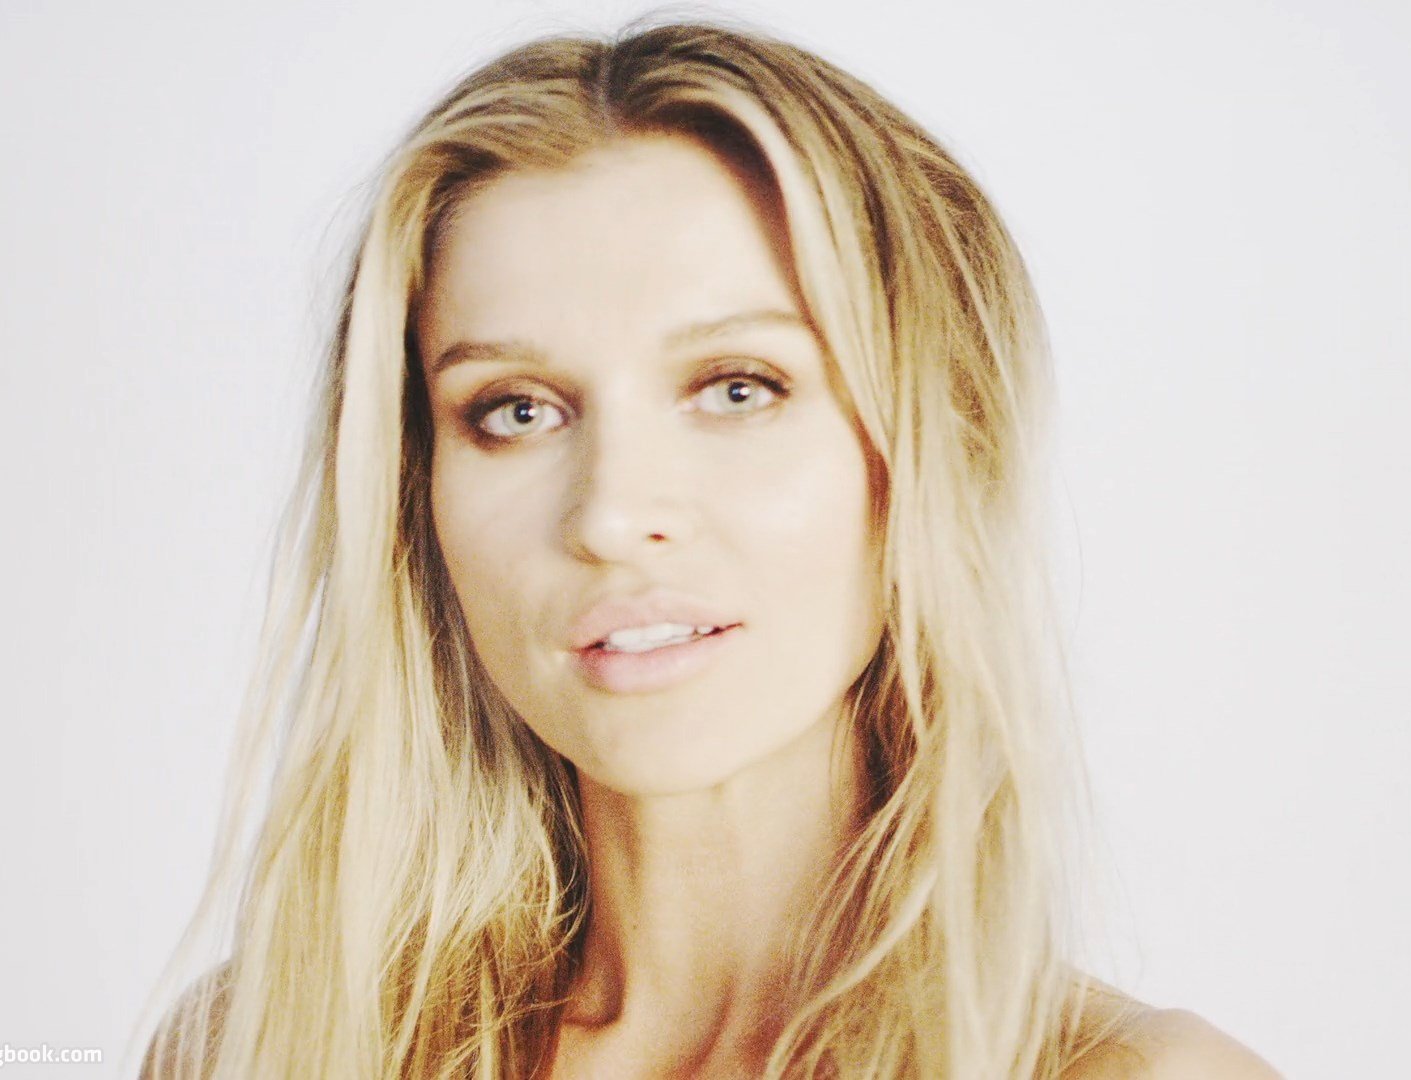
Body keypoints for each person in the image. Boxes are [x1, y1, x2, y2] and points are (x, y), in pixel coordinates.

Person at [139, 17, 1281, 1079]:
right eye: (516, 410)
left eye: (738, 387)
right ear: (416, 493)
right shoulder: (263, 1045)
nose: (609, 512)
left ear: (936, 445)